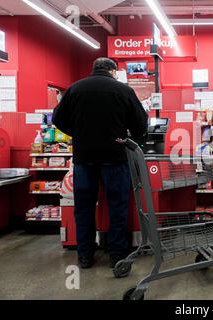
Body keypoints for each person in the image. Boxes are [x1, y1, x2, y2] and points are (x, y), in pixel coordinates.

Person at [53, 57, 148, 269]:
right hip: (115, 157)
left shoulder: (74, 89)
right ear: (113, 71)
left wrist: (77, 133)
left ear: (93, 69)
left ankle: (85, 255)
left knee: (84, 207)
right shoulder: (123, 91)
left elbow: (57, 119)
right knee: (117, 206)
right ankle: (117, 254)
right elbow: (141, 125)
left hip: (83, 158)